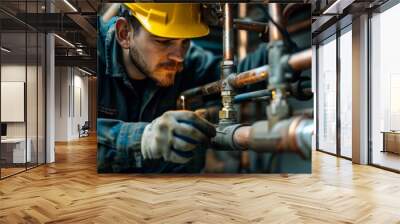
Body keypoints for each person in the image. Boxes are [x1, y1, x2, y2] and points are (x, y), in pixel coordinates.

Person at [97, 3, 269, 173]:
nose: (179, 57)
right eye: (163, 42)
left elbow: (239, 75)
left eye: (185, 42)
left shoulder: (188, 61)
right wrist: (142, 139)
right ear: (124, 33)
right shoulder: (92, 55)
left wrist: (280, 57)